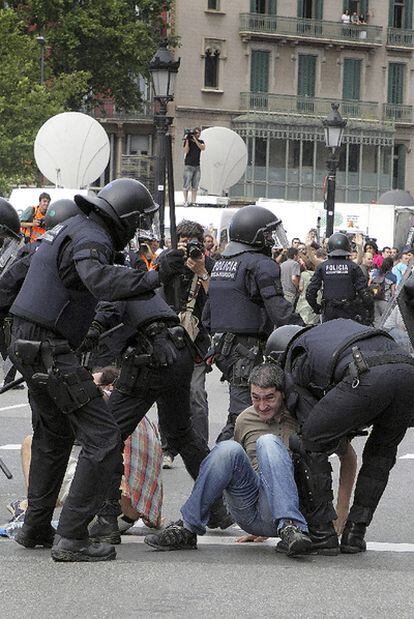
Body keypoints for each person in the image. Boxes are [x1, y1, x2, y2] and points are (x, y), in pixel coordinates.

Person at [3, 178, 175, 562]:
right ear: (126, 217)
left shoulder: (67, 228)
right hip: (49, 346)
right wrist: (153, 276)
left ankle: (35, 526)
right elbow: (98, 278)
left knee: (54, 435)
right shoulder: (92, 235)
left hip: (30, 343)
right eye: (138, 221)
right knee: (103, 436)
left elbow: (8, 285)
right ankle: (72, 536)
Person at [266, 318, 414, 554]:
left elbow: (313, 429)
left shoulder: (297, 353)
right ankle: (355, 533)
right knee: (381, 454)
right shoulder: (328, 332)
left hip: (365, 375)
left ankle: (322, 532)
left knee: (308, 443)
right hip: (407, 372)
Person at [144, 363, 312, 557]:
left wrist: (340, 515)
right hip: (248, 507)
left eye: (269, 398)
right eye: (256, 398)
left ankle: (290, 527)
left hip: (283, 508)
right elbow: (235, 469)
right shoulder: (244, 419)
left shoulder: (299, 416)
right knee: (227, 448)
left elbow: (343, 456)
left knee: (268, 442)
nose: (262, 406)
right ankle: (188, 528)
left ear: (282, 394)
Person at [203, 205, 302, 442]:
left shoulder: (221, 264)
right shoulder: (261, 264)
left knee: (247, 410)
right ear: (255, 235)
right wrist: (304, 330)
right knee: (241, 416)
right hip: (246, 350)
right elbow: (278, 309)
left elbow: (208, 314)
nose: (271, 240)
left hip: (224, 348)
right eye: (268, 234)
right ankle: (218, 466)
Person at [157, 220, 214, 468]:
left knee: (196, 394)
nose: (189, 248)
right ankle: (168, 448)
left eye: (193, 243)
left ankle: (200, 448)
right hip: (168, 336)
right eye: (183, 242)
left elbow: (217, 298)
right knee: (166, 394)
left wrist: (201, 271)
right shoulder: (168, 261)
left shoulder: (207, 263)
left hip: (196, 340)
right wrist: (170, 262)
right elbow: (154, 285)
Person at [306, 232, 373, 324]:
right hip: (349, 312)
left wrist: (317, 308)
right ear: (347, 248)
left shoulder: (322, 267)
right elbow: (365, 294)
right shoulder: (353, 267)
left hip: (329, 312)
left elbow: (310, 292)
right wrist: (369, 314)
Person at [370, 256, 397, 324]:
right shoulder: (392, 277)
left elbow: (369, 284)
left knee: (376, 321)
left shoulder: (375, 273)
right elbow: (393, 292)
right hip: (385, 301)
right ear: (391, 266)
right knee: (386, 322)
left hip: (374, 299)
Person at [182, 127, 205, 206]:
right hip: (188, 165)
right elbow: (186, 151)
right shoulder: (188, 141)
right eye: (196, 133)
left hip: (197, 165)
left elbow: (202, 148)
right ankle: (185, 201)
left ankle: (193, 201)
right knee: (186, 184)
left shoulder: (201, 141)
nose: (197, 135)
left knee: (195, 185)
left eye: (199, 133)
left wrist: (195, 140)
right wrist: (187, 140)